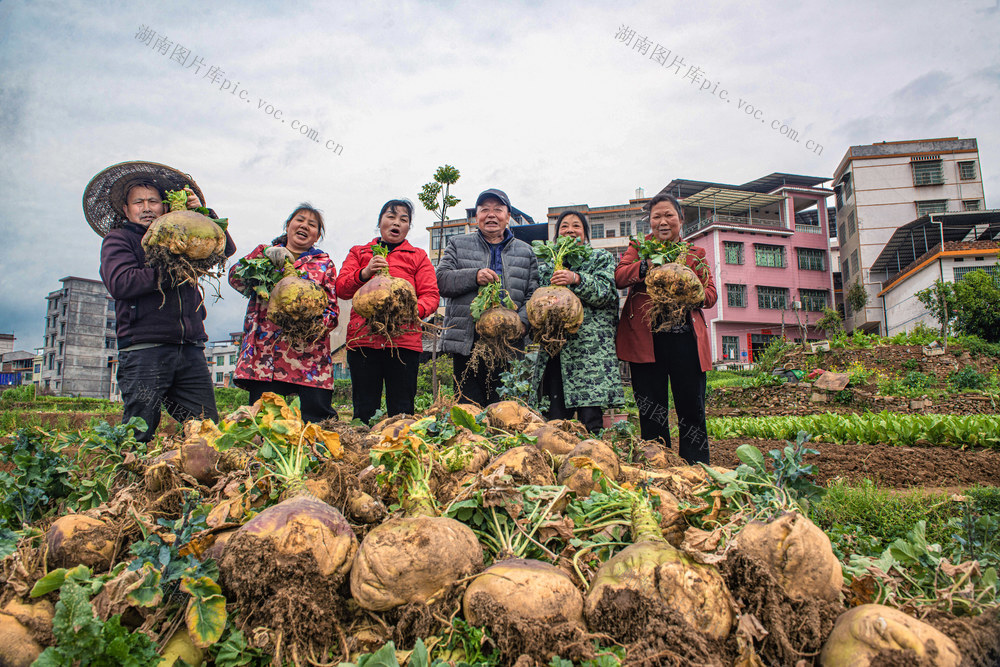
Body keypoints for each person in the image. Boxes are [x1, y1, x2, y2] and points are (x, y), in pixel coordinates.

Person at [90, 161, 237, 442]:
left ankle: (199, 484)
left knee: (206, 429)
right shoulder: (119, 240)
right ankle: (129, 481)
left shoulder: (183, 237)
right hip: (145, 350)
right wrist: (173, 270)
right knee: (139, 430)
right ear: (126, 209)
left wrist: (202, 214)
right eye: (138, 202)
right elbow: (122, 282)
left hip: (190, 348)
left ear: (165, 207)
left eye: (153, 201)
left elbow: (225, 248)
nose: (146, 207)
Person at [615, 193, 717, 464]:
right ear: (649, 222)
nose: (663, 221)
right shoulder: (639, 248)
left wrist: (691, 292)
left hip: (686, 342)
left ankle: (696, 467)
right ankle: (656, 463)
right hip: (647, 342)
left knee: (691, 409)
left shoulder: (695, 253)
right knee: (651, 411)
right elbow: (620, 276)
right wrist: (646, 266)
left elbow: (711, 295)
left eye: (669, 215)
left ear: (680, 220)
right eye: (656, 216)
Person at [228, 203, 339, 423]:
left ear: (317, 236)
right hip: (266, 355)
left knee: (316, 422)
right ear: (288, 226)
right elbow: (236, 279)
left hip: (309, 358)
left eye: (312, 224)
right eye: (300, 220)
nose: (305, 226)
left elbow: (332, 311)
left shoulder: (324, 264)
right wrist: (264, 254)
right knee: (265, 421)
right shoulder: (263, 255)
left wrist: (310, 325)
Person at [335, 199, 439, 424]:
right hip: (363, 340)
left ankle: (400, 450)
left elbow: (431, 295)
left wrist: (410, 311)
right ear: (380, 222)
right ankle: (361, 454)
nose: (397, 223)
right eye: (391, 217)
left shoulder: (418, 256)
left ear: (408, 227)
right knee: (364, 409)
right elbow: (341, 288)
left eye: (404, 219)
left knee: (402, 410)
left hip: (404, 342)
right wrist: (365, 273)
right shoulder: (360, 252)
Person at [437, 188, 538, 406]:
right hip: (468, 344)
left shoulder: (526, 252)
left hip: (509, 343)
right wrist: (474, 276)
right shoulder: (457, 244)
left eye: (498, 210)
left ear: (508, 216)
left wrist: (522, 323)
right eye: (484, 210)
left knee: (505, 408)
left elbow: (533, 294)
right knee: (468, 409)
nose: (491, 215)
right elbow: (441, 281)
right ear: (477, 217)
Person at [532, 211, 624, 433]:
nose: (570, 230)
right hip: (556, 351)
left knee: (590, 421)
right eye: (564, 227)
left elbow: (607, 292)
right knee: (553, 422)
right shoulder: (547, 265)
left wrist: (576, 279)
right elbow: (538, 301)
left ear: (585, 234)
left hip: (590, 354)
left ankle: (592, 462)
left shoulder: (600, 258)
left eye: (576, 226)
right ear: (556, 234)